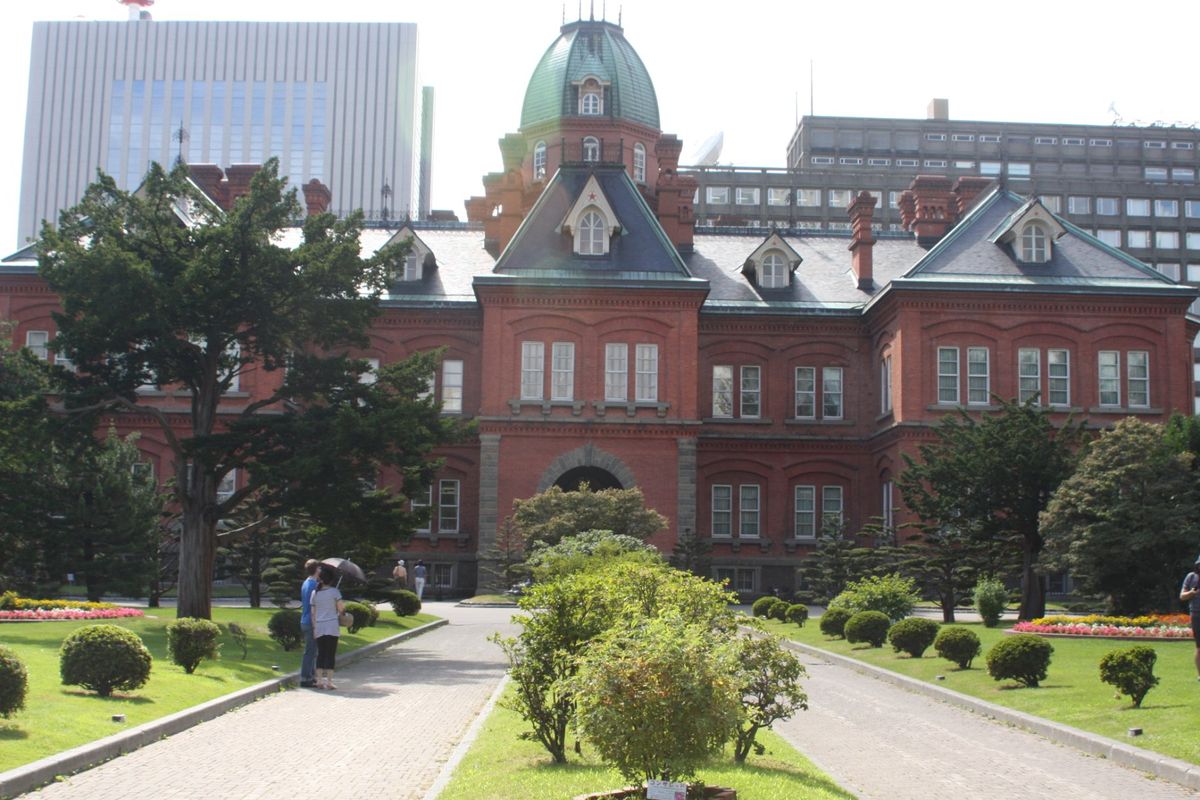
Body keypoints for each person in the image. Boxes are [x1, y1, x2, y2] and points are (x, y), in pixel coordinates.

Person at [310, 563, 345, 690]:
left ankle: (319, 680)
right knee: (330, 654)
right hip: (331, 626)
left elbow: (313, 613)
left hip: (319, 626)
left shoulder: (315, 593)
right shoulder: (335, 592)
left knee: (321, 654)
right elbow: (341, 609)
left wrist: (314, 628)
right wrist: (340, 610)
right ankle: (329, 682)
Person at [298, 559, 320, 689]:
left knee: (312, 651)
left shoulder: (307, 583)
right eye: (319, 568)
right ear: (316, 569)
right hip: (310, 621)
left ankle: (311, 676)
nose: (321, 570)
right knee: (310, 652)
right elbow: (314, 607)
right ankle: (305, 678)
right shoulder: (313, 585)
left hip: (305, 620)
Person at [1181, 556, 1200, 680]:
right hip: (1197, 614)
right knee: (1199, 647)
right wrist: (1192, 593)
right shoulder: (1191, 577)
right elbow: (1182, 596)